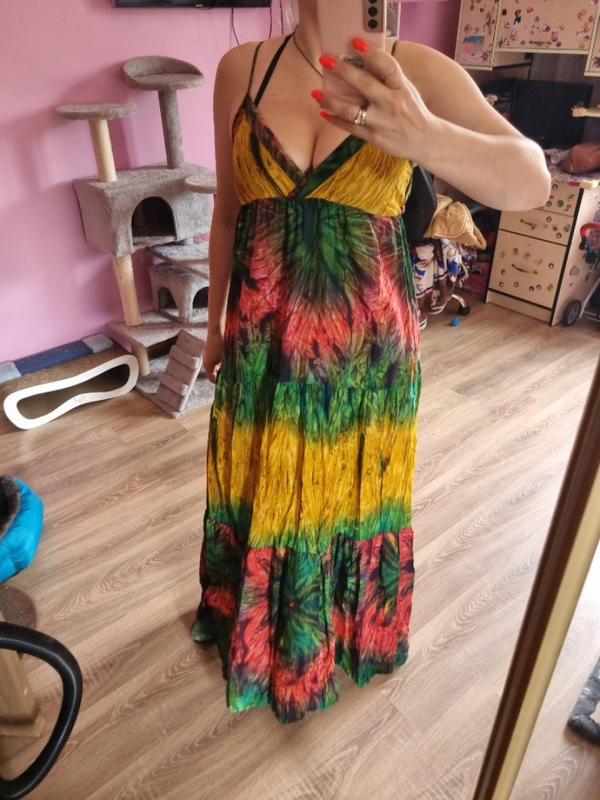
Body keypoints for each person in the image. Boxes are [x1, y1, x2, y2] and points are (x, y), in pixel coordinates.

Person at [191, 0, 552, 724]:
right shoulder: (241, 69)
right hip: (262, 346)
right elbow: (229, 213)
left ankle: (344, 636)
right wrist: (214, 327)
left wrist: (426, 135)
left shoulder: (417, 70)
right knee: (264, 486)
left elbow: (531, 180)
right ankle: (259, 634)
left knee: (347, 501)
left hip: (365, 358)